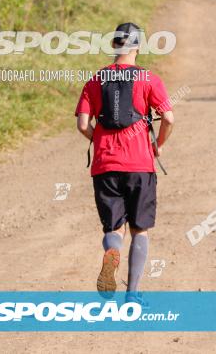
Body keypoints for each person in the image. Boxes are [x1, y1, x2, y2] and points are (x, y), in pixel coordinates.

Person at [75, 23, 175, 305]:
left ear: (115, 45)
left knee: (113, 228)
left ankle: (112, 252)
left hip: (105, 165)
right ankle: (133, 294)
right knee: (139, 229)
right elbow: (168, 118)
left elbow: (83, 123)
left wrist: (100, 140)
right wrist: (157, 146)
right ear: (138, 47)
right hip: (140, 165)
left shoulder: (95, 80)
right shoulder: (149, 79)